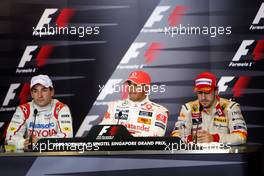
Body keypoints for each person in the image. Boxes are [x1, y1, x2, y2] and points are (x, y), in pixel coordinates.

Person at [171, 72, 247, 145]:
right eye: (200, 93)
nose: (203, 97)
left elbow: (241, 136)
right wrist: (192, 139)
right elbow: (176, 136)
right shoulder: (188, 109)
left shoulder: (230, 108)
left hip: (223, 157)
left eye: (207, 92)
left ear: (216, 91)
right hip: (195, 157)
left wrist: (214, 138)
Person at [5, 74, 73, 150]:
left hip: (55, 158)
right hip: (30, 158)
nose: (40, 95)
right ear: (31, 94)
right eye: (35, 91)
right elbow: (9, 139)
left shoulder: (61, 108)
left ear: (52, 92)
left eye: (44, 90)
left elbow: (67, 139)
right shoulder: (23, 109)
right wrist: (23, 143)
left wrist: (41, 143)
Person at [100, 70, 169, 137]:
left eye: (136, 85)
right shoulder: (114, 106)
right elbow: (103, 132)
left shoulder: (159, 111)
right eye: (130, 84)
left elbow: (156, 136)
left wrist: (125, 138)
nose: (131, 88)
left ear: (146, 88)